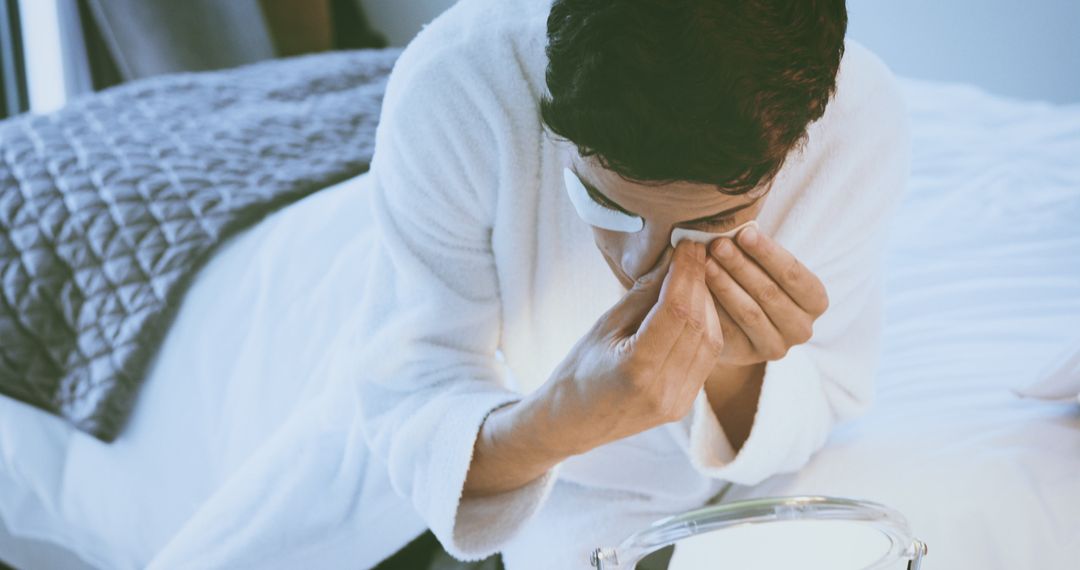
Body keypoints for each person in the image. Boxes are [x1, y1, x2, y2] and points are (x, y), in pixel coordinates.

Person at [148, 0, 909, 568]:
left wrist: (738, 364)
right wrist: (559, 422)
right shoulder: (455, 86)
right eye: (606, 203)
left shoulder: (859, 123)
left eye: (714, 219)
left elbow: (829, 392)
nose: (644, 263)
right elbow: (411, 384)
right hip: (392, 333)